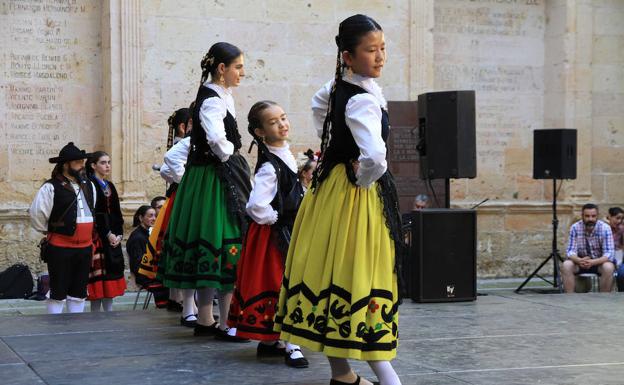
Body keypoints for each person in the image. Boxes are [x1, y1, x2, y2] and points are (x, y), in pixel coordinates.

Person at [274, 15, 402, 385]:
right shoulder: (360, 99)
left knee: (330, 272)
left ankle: (342, 373)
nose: (380, 57)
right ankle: (383, 376)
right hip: (354, 196)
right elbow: (376, 158)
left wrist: (333, 149)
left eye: (382, 48)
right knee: (356, 273)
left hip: (328, 193)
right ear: (348, 55)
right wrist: (362, 178)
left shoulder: (339, 86)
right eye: (371, 50)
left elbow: (319, 110)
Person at [158, 42, 252, 342]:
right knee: (222, 241)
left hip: (204, 177)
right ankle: (221, 322)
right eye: (237, 67)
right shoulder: (212, 99)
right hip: (214, 178)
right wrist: (231, 156)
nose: (241, 72)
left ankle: (206, 318)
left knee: (213, 243)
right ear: (221, 68)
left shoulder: (219, 94)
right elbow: (215, 138)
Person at [227, 101, 308, 368]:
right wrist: (275, 219)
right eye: (274, 122)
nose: (282, 124)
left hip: (286, 230)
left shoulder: (285, 154)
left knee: (284, 282)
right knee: (282, 283)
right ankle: (291, 344)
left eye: (283, 118)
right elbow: (256, 205)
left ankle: (270, 341)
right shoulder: (269, 166)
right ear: (260, 132)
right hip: (275, 236)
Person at [29, 142, 96, 314]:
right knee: (58, 291)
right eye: (78, 162)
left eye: (83, 162)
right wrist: (53, 230)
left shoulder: (89, 185)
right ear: (66, 164)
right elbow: (37, 214)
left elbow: (91, 210)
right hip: (60, 248)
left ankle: (75, 327)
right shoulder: (51, 187)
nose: (82, 165)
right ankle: (55, 328)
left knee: (79, 290)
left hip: (85, 248)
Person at [85, 151, 127, 312]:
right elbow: (95, 213)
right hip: (99, 236)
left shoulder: (110, 186)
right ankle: (95, 315)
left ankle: (108, 313)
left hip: (112, 237)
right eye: (103, 162)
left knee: (110, 275)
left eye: (109, 162)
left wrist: (118, 233)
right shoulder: (89, 185)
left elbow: (116, 212)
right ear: (93, 165)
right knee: (98, 280)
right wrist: (107, 233)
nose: (107, 165)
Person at [561, 203, 615, 293]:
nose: (590, 219)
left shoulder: (605, 228)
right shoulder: (575, 227)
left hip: (599, 263)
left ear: (597, 216)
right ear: (582, 216)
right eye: (587, 216)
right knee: (566, 265)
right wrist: (579, 260)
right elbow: (570, 251)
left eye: (593, 216)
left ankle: (605, 298)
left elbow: (609, 254)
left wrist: (593, 262)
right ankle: (569, 298)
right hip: (580, 262)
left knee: (609, 267)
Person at [127, 205, 169, 307]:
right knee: (168, 282)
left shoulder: (149, 233)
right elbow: (137, 264)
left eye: (155, 215)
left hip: (150, 271)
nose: (154, 218)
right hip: (144, 275)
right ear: (141, 218)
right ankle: (166, 306)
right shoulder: (137, 237)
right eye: (150, 216)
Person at [606, 207, 624, 291]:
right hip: (606, 257)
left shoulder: (621, 229)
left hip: (619, 256)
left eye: (621, 218)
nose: (619, 221)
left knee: (621, 273)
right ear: (609, 216)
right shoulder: (604, 227)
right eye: (617, 218)